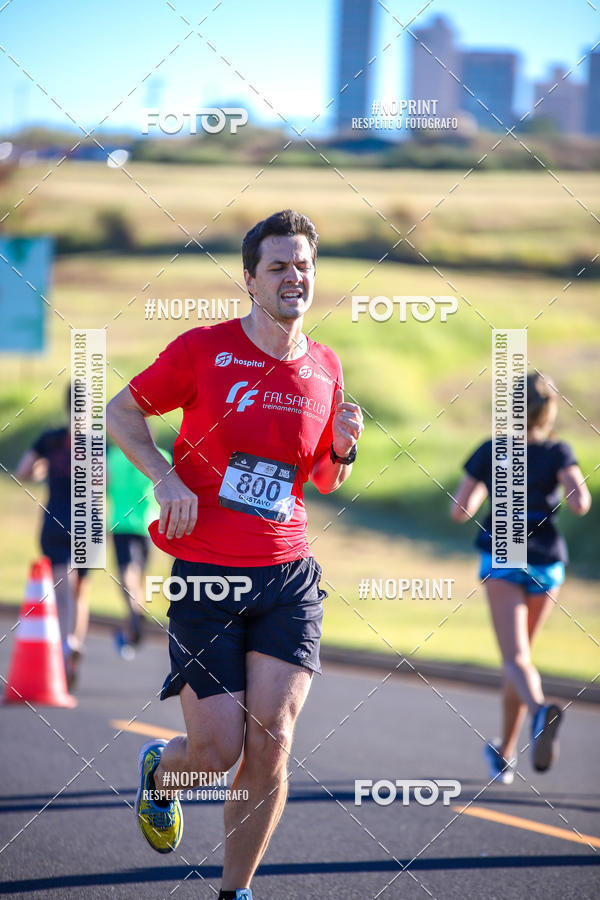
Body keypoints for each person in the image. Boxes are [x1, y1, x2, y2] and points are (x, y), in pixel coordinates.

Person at [106, 209, 364, 899]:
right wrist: (165, 477)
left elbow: (323, 478)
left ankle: (235, 891)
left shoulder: (325, 366)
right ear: (250, 280)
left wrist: (342, 446)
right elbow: (121, 412)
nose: (295, 278)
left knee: (271, 740)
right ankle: (164, 772)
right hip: (209, 576)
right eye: (279, 266)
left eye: (304, 265)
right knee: (217, 754)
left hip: (287, 575)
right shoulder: (203, 351)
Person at [451, 372, 591, 783]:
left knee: (514, 659)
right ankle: (506, 752)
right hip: (548, 561)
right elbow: (580, 501)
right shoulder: (559, 451)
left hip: (505, 555)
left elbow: (460, 509)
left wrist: (485, 495)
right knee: (521, 658)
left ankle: (539, 711)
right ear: (548, 411)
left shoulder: (493, 449)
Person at [15, 385, 90, 688]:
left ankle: (65, 645)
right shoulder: (95, 442)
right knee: (79, 590)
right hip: (87, 523)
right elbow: (105, 479)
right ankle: (72, 644)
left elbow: (22, 471)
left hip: (56, 520)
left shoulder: (50, 439)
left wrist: (42, 471)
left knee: (63, 587)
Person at [107, 440, 171, 659]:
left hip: (121, 524)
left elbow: (102, 485)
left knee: (127, 573)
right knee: (137, 575)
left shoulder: (114, 456)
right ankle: (133, 627)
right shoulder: (161, 455)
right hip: (148, 525)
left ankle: (135, 614)